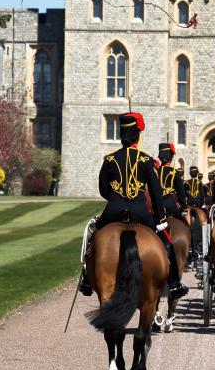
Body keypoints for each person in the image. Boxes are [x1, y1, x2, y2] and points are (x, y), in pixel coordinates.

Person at [78, 112, 187, 299]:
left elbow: (103, 190)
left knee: (92, 238)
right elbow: (155, 193)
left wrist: (116, 197)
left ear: (122, 135)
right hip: (140, 212)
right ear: (138, 135)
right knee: (165, 241)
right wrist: (160, 219)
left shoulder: (109, 160)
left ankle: (87, 278)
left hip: (113, 210)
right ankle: (175, 283)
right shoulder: (147, 161)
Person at [155, 142, 184, 220]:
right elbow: (181, 192)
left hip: (157, 204)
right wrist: (184, 207)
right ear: (171, 158)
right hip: (170, 203)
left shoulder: (155, 171)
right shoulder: (175, 172)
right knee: (186, 225)